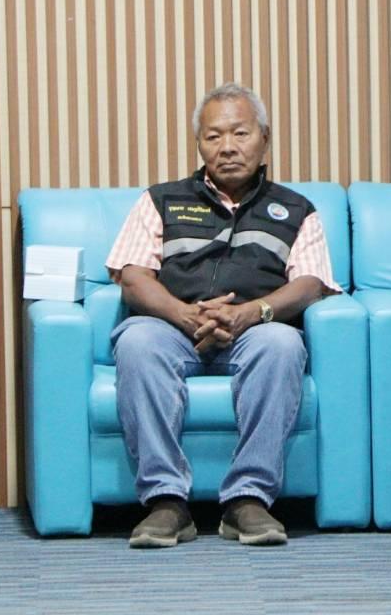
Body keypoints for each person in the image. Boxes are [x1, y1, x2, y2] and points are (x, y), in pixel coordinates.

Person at [105, 83, 337, 548]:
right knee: (136, 342)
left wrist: (253, 312)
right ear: (199, 144)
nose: (227, 147)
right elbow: (132, 276)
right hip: (171, 327)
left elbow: (311, 283)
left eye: (240, 133)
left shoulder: (297, 209)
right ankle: (166, 502)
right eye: (213, 136)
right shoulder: (160, 200)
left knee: (282, 344)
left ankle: (248, 499)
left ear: (264, 138)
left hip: (254, 331)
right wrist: (184, 314)